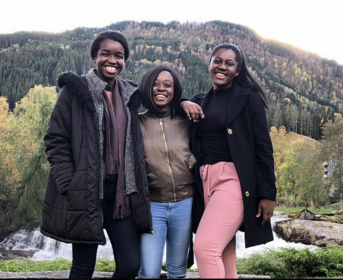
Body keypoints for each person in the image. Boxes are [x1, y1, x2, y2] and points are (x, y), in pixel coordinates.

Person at [40, 30, 152, 279]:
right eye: (106, 54)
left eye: (119, 56)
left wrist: (187, 102)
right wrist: (69, 182)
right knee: (83, 267)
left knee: (130, 266)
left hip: (122, 195)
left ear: (125, 61)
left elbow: (165, 97)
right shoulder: (75, 91)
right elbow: (55, 139)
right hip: (87, 191)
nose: (113, 60)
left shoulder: (130, 95)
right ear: (94, 57)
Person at [180, 43, 277, 278]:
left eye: (229, 63)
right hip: (204, 180)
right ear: (209, 64)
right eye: (217, 61)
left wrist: (268, 194)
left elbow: (264, 149)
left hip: (233, 180)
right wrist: (183, 102)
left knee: (205, 247)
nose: (221, 66)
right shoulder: (200, 101)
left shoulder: (249, 100)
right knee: (223, 253)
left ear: (238, 71)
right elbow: (167, 103)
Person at [137, 65, 195, 279]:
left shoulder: (187, 121)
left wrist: (184, 102)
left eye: (167, 85)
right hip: (152, 206)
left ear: (175, 90)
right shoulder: (137, 123)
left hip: (185, 203)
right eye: (155, 84)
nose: (161, 89)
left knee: (178, 271)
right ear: (147, 88)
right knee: (149, 273)